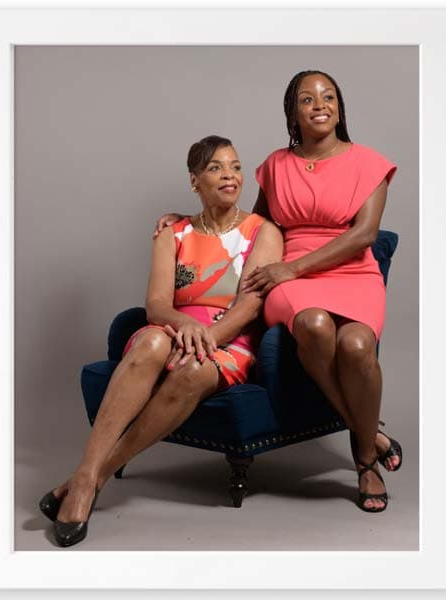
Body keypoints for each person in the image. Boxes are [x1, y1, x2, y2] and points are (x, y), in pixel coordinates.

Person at [154, 71, 402, 513]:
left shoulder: (369, 162)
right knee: (314, 325)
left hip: (349, 272)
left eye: (328, 96)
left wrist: (293, 268)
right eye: (307, 99)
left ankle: (362, 440)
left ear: (339, 106)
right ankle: (368, 453)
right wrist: (189, 218)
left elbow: (364, 235)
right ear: (293, 112)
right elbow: (253, 226)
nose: (319, 105)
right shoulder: (275, 165)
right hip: (288, 278)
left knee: (359, 343)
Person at [39, 135, 283, 546]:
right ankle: (89, 475)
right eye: (215, 168)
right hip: (172, 329)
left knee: (193, 369)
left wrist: (205, 338)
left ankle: (85, 480)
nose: (229, 175)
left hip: (228, 341)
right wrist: (183, 328)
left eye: (236, 166)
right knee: (150, 343)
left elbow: (248, 308)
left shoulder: (264, 233)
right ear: (194, 181)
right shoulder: (173, 233)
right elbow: (155, 306)